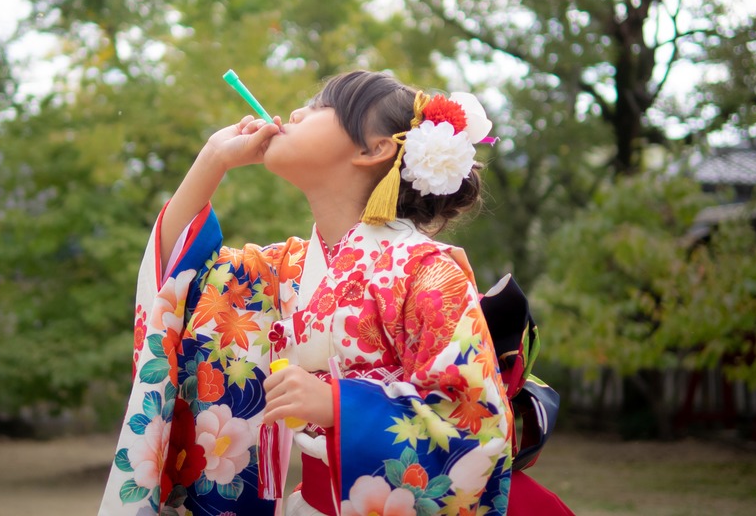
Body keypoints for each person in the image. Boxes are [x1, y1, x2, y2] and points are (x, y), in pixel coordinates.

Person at [98, 69, 571, 516]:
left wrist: (337, 405)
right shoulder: (288, 269)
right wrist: (213, 160)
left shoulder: (429, 272)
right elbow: (183, 281)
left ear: (374, 149)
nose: (296, 113)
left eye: (319, 106)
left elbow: (473, 424)